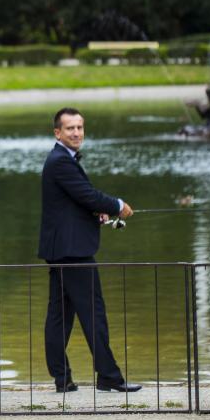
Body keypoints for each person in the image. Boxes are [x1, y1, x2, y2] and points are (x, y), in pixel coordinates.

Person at [37, 107, 141, 394]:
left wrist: (95, 213)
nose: (76, 133)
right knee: (93, 313)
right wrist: (117, 205)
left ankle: (63, 379)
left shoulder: (61, 159)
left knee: (59, 316)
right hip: (73, 252)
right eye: (70, 128)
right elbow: (87, 195)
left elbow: (73, 203)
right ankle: (109, 377)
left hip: (62, 249)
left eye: (80, 127)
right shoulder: (60, 161)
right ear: (57, 132)